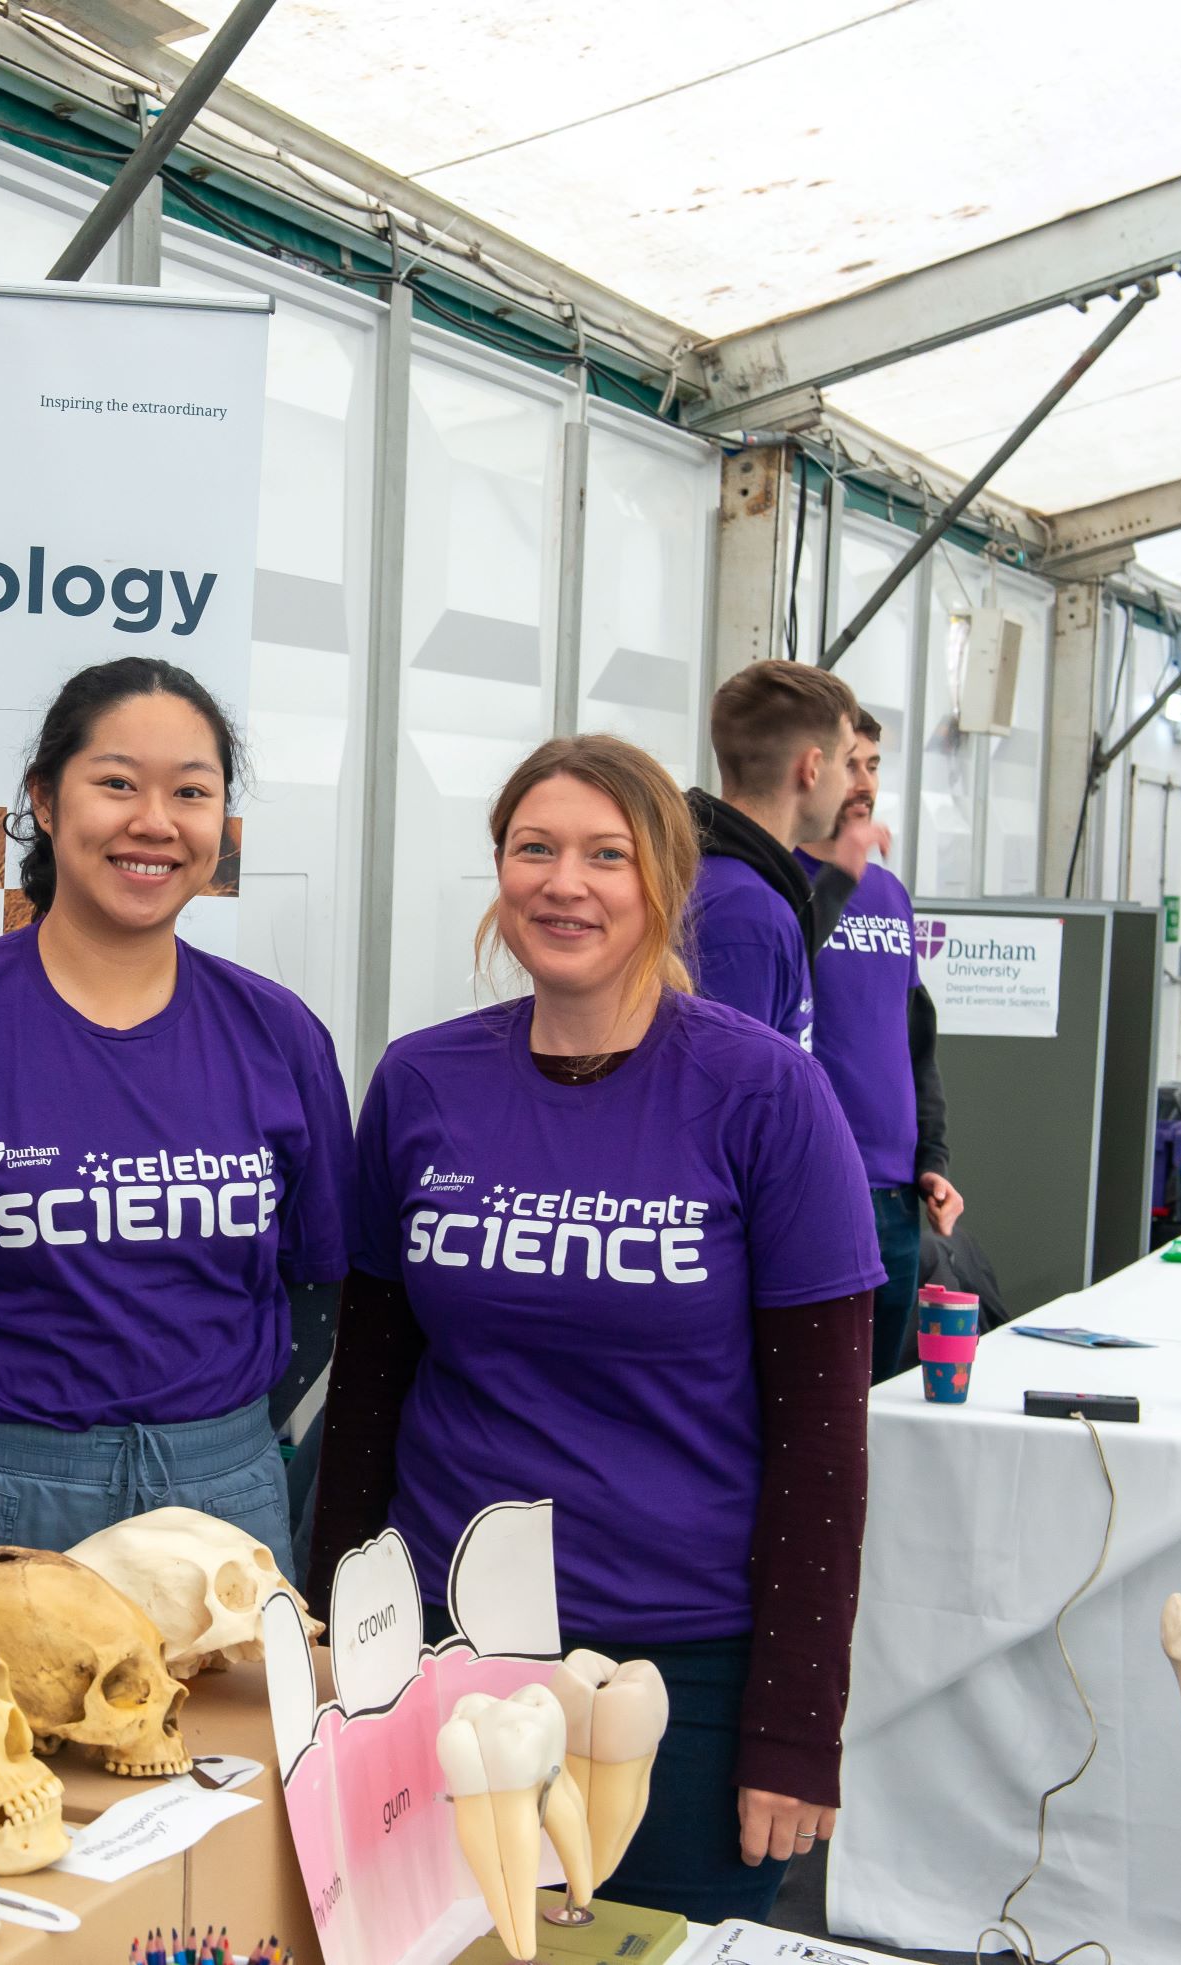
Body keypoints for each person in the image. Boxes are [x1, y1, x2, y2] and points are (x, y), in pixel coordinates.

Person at [309, 733, 881, 1925]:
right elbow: (366, 1391)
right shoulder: (421, 1084)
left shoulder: (765, 1094)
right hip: (443, 1655)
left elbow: (823, 1445)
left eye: (605, 854)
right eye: (535, 848)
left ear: (665, 881)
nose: (564, 883)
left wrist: (792, 1725)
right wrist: (332, 1640)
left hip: (674, 1669)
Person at [0, 656, 354, 1610]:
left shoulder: (279, 1036)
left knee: (220, 1766)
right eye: (116, 783)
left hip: (217, 1511)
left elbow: (315, 1283)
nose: (155, 821)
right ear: (45, 800)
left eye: (191, 790)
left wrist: (226, 1446)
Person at [797, 713, 964, 1379]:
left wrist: (933, 1157)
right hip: (819, 1188)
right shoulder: (779, 884)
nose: (865, 782)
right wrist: (837, 874)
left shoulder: (891, 893)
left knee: (876, 1402)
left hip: (897, 1197)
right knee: (818, 1400)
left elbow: (913, 1039)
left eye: (874, 766)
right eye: (852, 764)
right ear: (811, 771)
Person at [685, 659, 859, 1048]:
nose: (851, 785)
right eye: (847, 762)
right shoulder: (747, 912)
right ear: (812, 768)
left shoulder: (720, 880)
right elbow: (732, 1095)